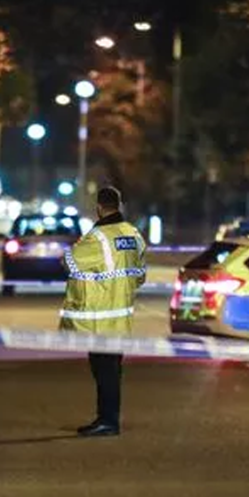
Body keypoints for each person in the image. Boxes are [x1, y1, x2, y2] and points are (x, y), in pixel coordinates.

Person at [60, 186, 146, 437]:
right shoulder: (134, 234)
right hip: (121, 317)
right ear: (118, 205)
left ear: (99, 207)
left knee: (104, 372)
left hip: (99, 319)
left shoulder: (97, 238)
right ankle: (108, 418)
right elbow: (139, 276)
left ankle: (107, 421)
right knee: (112, 371)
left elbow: (69, 262)